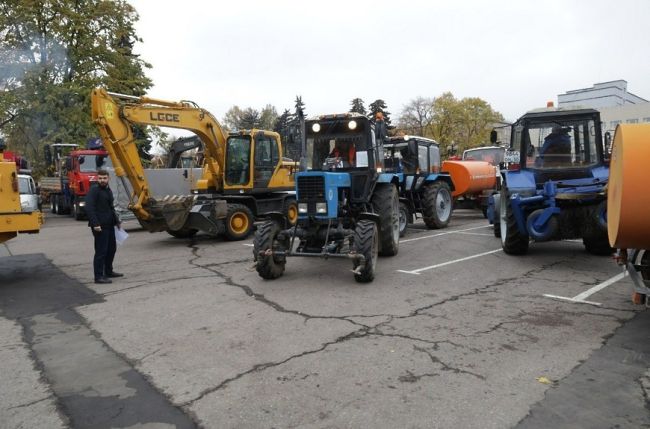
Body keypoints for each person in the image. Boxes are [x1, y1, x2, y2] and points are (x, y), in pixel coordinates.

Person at [85, 169, 123, 284]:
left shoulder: (108, 190)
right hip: (100, 226)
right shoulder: (94, 190)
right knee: (101, 251)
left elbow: (111, 208)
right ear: (97, 179)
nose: (102, 180)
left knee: (112, 249)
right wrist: (95, 224)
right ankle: (98, 276)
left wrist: (117, 221)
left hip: (110, 224)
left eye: (104, 178)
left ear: (108, 179)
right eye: (100, 178)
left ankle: (108, 271)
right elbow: (89, 208)